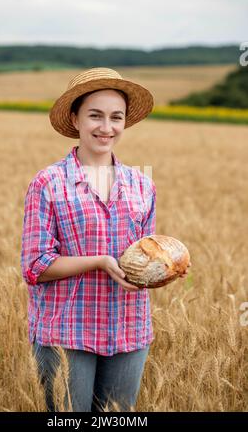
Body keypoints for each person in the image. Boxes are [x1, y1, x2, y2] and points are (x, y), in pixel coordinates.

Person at [20, 67, 190, 412]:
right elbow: (35, 266)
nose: (106, 127)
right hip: (67, 330)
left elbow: (143, 258)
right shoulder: (48, 183)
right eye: (95, 116)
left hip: (129, 329)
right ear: (75, 118)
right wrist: (99, 262)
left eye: (116, 117)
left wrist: (167, 269)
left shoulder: (142, 184)